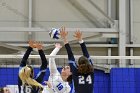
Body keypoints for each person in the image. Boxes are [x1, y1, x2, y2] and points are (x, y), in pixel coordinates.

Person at [60, 27, 94, 93]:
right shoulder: (91, 70)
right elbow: (86, 53)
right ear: (88, 62)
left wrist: (64, 38)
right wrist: (80, 39)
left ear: (78, 64)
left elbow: (70, 54)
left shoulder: (75, 71)